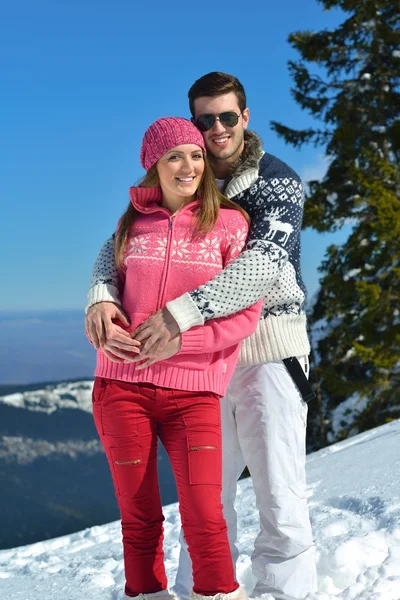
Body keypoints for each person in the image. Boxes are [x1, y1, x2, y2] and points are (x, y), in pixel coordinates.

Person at [86, 73, 318, 600]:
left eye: (227, 117)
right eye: (205, 119)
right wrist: (101, 291)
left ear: (245, 118)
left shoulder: (275, 181)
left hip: (267, 352)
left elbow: (262, 266)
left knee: (278, 496)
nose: (216, 129)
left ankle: (287, 595)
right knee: (207, 505)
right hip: (199, 370)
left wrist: (180, 316)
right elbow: (125, 238)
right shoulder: (187, 174)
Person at [88, 116, 262, 600]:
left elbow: (245, 316)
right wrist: (99, 304)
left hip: (195, 391)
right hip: (122, 387)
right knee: (139, 517)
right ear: (154, 165)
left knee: (206, 514)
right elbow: (110, 288)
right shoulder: (131, 223)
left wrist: (181, 342)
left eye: (196, 155)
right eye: (175, 156)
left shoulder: (229, 224)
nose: (188, 166)